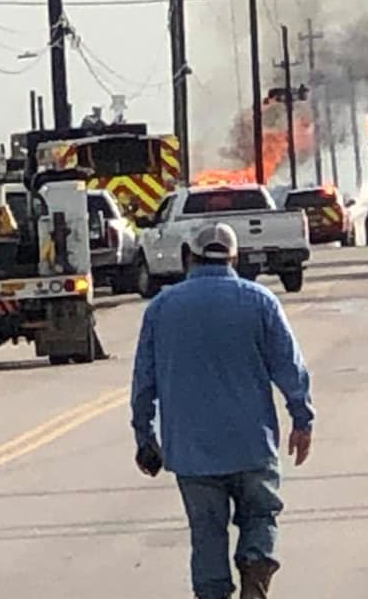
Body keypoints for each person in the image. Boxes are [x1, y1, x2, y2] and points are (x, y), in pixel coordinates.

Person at [130, 222, 315, 599]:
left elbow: (143, 382)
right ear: (235, 257)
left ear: (189, 257)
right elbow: (289, 367)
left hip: (192, 453)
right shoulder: (260, 301)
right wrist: (302, 419)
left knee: (207, 534)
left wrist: (145, 437)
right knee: (260, 516)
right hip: (252, 446)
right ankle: (255, 583)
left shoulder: (161, 308)